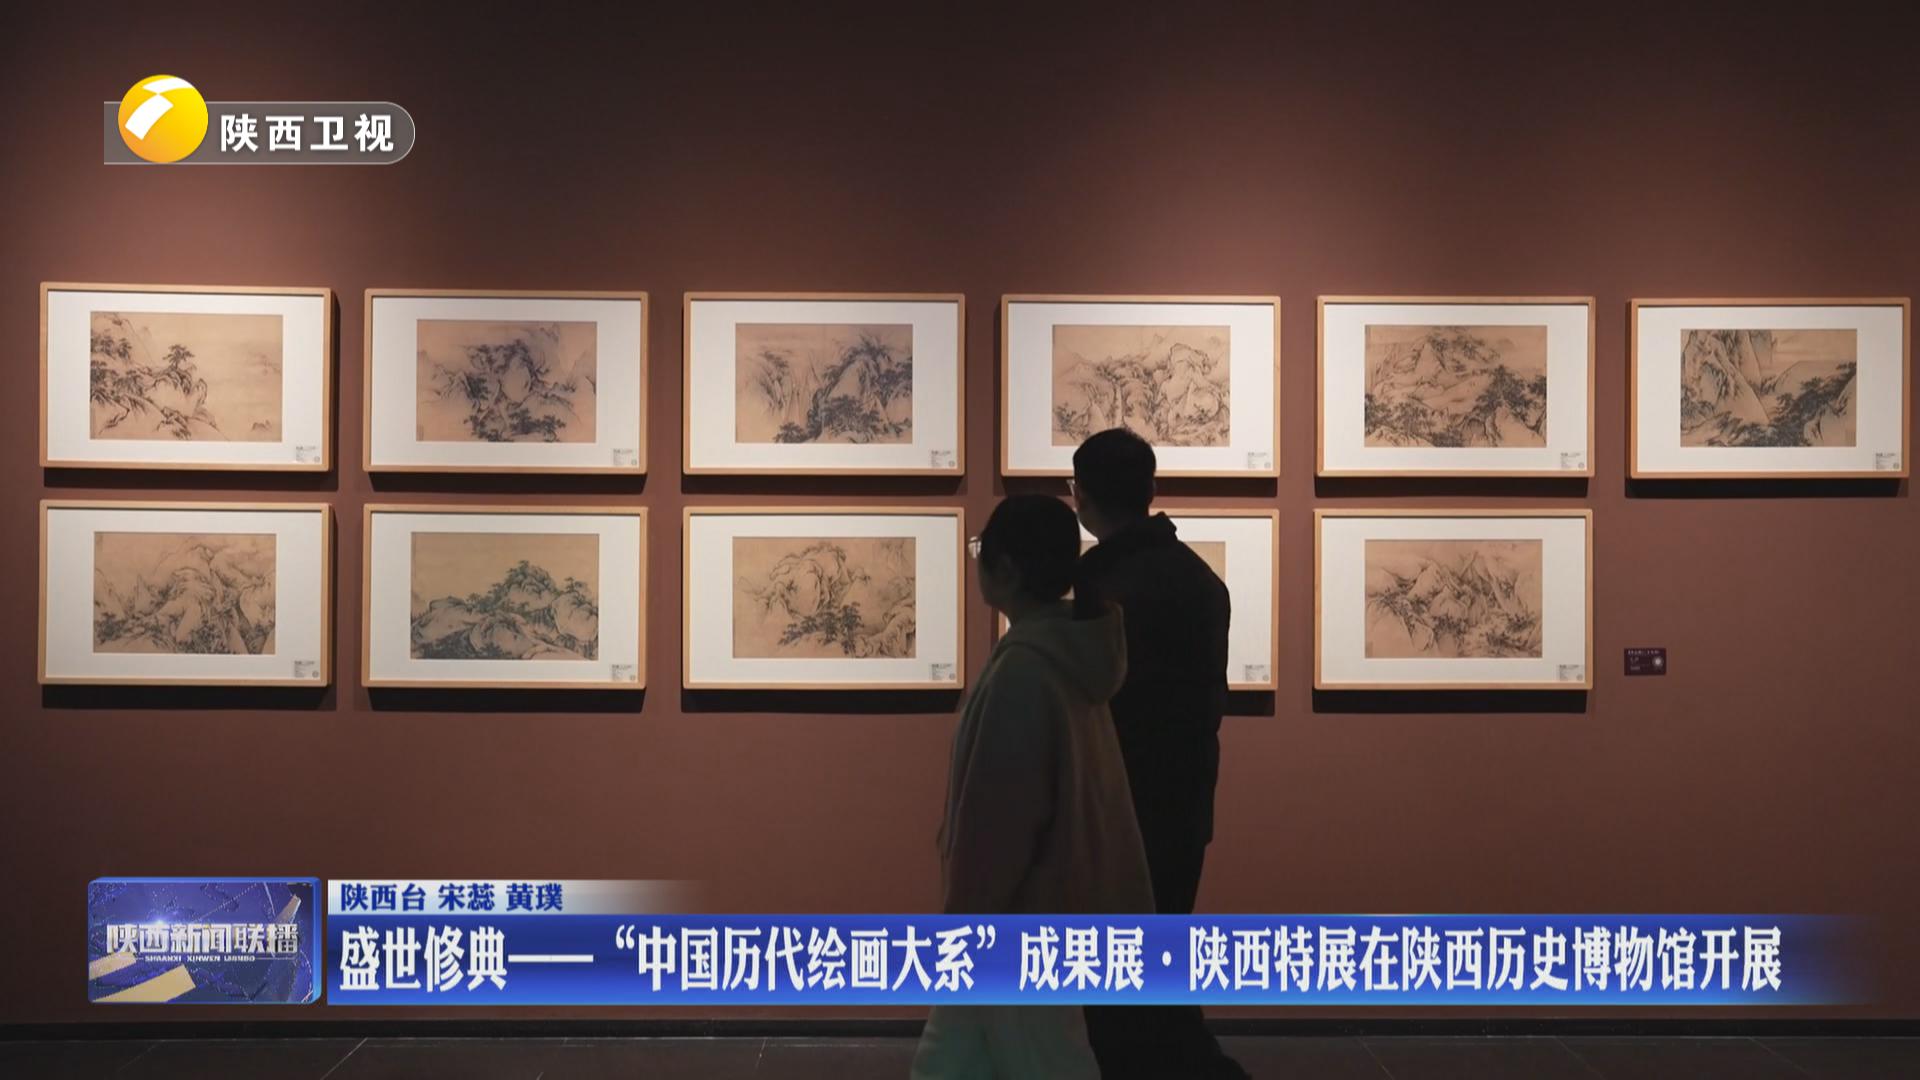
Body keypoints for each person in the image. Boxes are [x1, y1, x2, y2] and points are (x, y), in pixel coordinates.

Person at [911, 495, 1155, 1080]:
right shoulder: (1067, 653)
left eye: (980, 551)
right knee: (955, 1060)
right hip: (1040, 911)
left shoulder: (1026, 668)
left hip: (1017, 922)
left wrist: (968, 922)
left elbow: (1002, 819)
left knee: (1036, 1058)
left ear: (1007, 569)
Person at [1071, 428, 1247, 1080]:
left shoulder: (1098, 585)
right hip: (1182, 797)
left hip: (1113, 802)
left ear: (1080, 496)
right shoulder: (1198, 579)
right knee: (1159, 957)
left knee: (1116, 980)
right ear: (1150, 489)